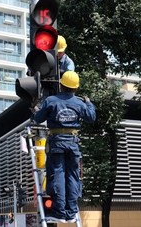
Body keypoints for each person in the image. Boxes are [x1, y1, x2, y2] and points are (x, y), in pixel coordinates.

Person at [31, 71, 96, 223]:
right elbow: (91, 118)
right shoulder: (80, 103)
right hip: (73, 144)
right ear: (75, 89)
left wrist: (35, 111)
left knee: (58, 176)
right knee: (72, 177)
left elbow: (39, 119)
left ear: (61, 85)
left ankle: (59, 212)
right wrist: (88, 103)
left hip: (56, 143)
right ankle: (72, 212)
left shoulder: (51, 101)